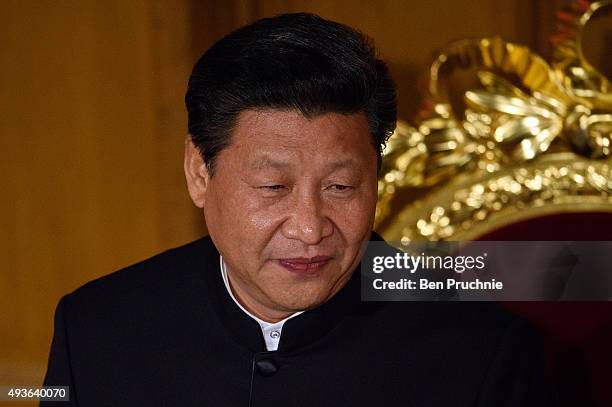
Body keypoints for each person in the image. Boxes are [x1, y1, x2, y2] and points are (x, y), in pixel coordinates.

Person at [42, 13, 555, 406]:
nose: (311, 229)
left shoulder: (485, 352)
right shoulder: (95, 329)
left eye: (341, 185)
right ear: (200, 173)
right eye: (272, 186)